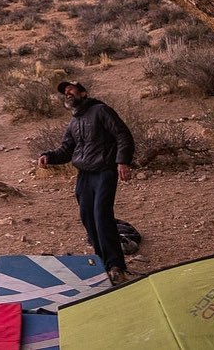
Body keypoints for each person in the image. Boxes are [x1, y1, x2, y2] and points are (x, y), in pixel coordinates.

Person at [38, 81, 134, 285]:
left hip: (104, 171)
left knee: (102, 217)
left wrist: (122, 161)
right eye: (65, 92)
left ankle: (117, 266)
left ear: (83, 93)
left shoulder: (101, 111)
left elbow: (122, 134)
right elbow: (66, 149)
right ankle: (102, 262)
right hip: (84, 174)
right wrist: (49, 157)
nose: (67, 93)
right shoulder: (75, 121)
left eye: (71, 90)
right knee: (87, 217)